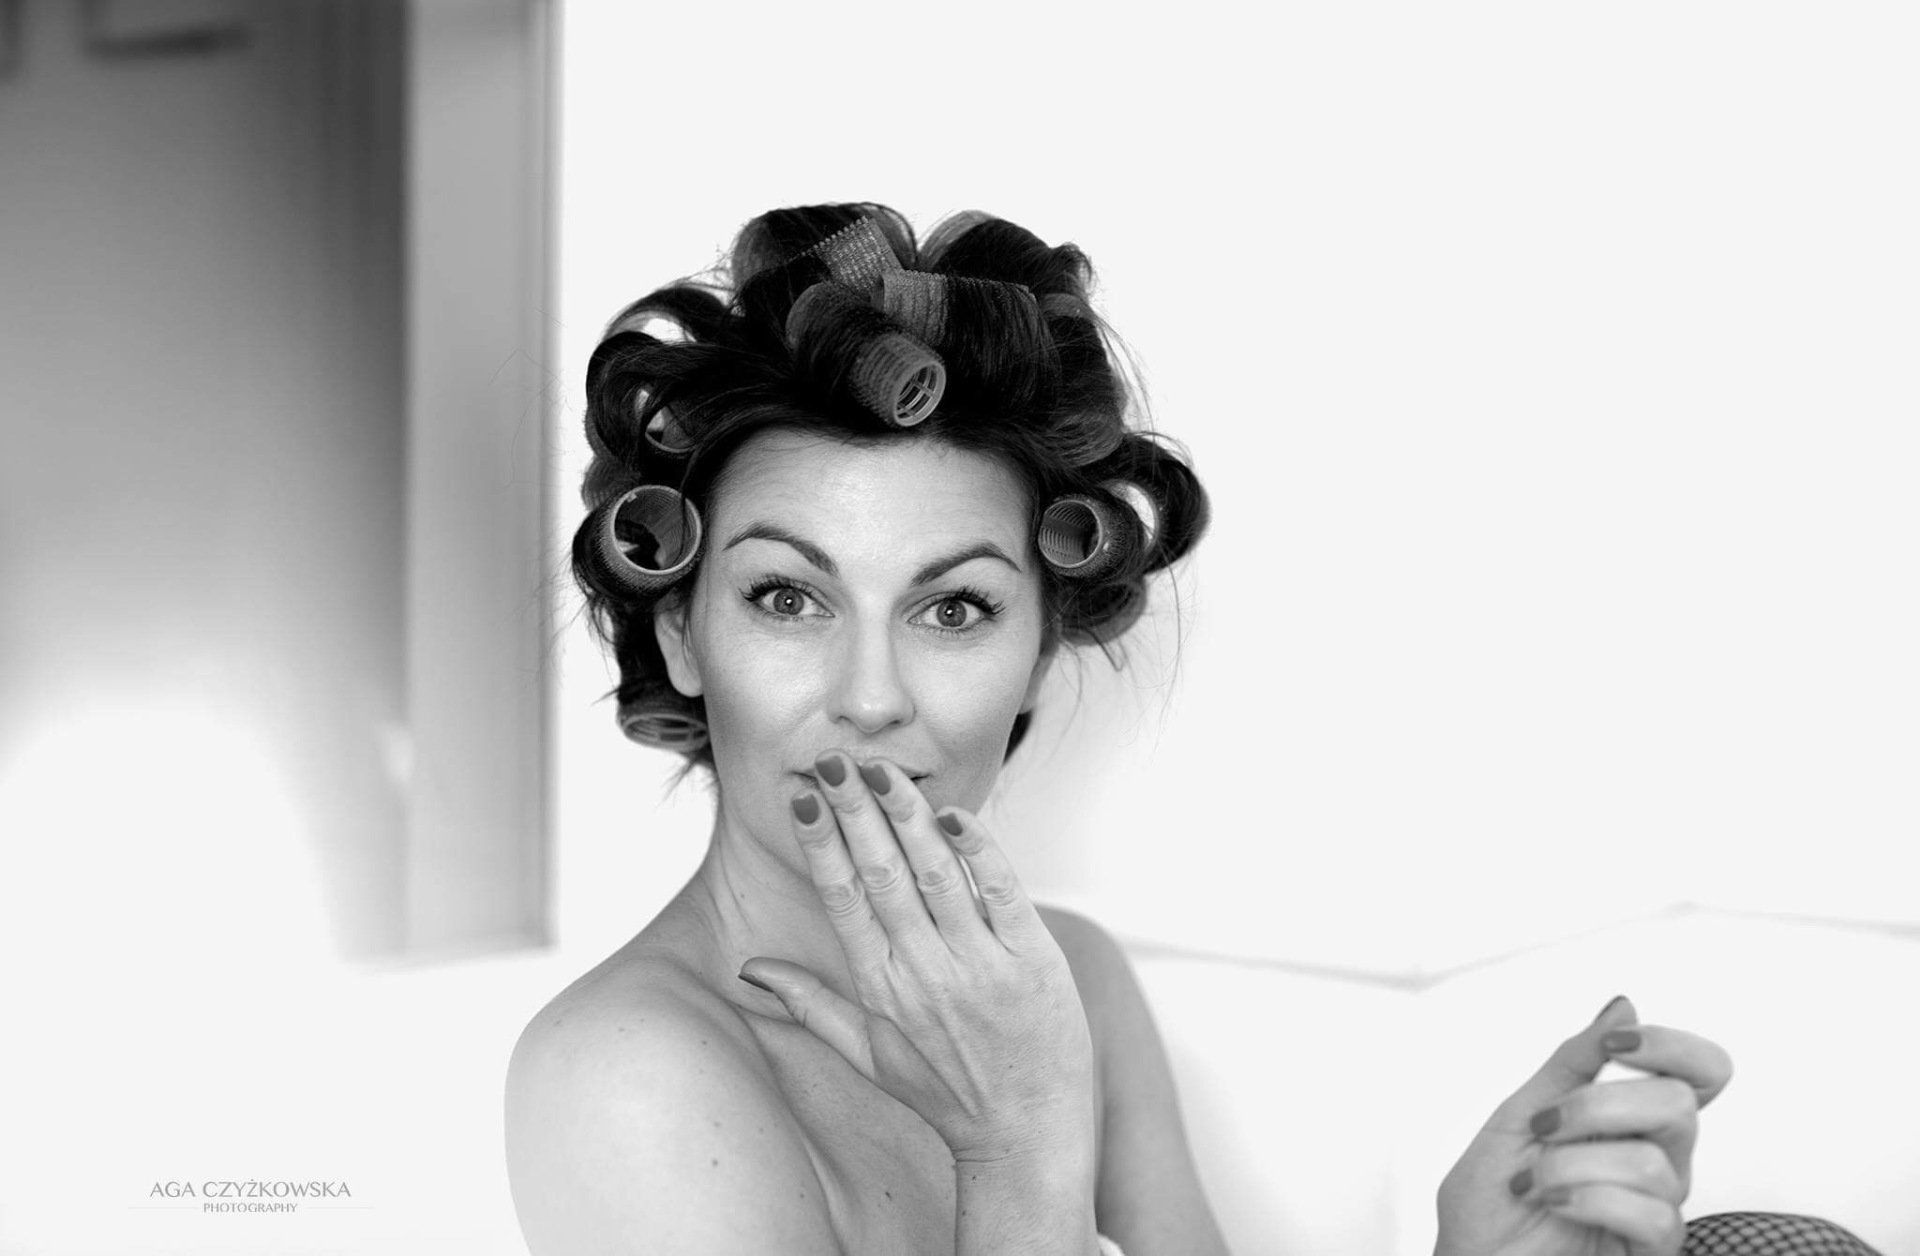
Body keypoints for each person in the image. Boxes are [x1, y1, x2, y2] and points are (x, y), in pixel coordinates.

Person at [504, 202, 1736, 1255]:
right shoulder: (627, 1074)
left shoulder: (1072, 976)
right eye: (787, 596)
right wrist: (1018, 1145)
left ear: (1041, 650)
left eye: (953, 607)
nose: (870, 695)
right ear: (681, 634)